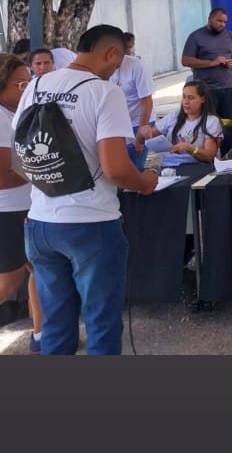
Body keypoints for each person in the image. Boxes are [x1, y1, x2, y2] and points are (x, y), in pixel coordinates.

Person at [14, 24, 158, 355]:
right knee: (101, 322)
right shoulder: (104, 92)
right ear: (112, 53)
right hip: (91, 223)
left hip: (40, 222)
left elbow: (21, 145)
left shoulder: (36, 84)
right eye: (117, 63)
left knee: (55, 322)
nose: (115, 70)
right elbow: (116, 168)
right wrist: (146, 182)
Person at [0, 53, 42, 352]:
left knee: (40, 271)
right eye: (20, 83)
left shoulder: (14, 113)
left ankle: (41, 334)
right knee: (8, 283)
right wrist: (43, 171)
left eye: (29, 81)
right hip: (9, 210)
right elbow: (3, 176)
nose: (27, 88)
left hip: (26, 206)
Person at [181, 8, 232, 150]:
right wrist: (211, 63)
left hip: (228, 89)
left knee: (226, 126)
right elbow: (185, 60)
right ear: (210, 19)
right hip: (207, 91)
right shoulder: (196, 36)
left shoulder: (228, 34)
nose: (222, 24)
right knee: (207, 126)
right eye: (219, 21)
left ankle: (226, 157)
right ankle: (208, 156)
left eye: (225, 22)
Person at [137, 80, 223, 170]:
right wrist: (143, 133)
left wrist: (189, 148)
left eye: (191, 98)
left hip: (196, 167)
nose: (186, 102)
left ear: (203, 99)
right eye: (184, 97)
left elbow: (209, 156)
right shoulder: (174, 116)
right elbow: (141, 140)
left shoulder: (211, 121)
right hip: (168, 166)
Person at [111, 49, 156, 170]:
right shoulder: (102, 67)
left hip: (139, 121)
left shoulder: (136, 66)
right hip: (117, 123)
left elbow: (147, 102)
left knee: (135, 166)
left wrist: (140, 138)